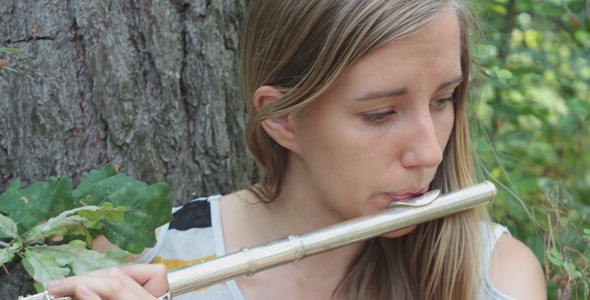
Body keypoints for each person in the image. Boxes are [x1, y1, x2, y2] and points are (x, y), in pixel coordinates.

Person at [46, 0, 547, 299]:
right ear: (283, 118)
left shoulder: (495, 274)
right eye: (379, 113)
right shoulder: (146, 255)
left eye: (443, 100)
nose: (430, 152)